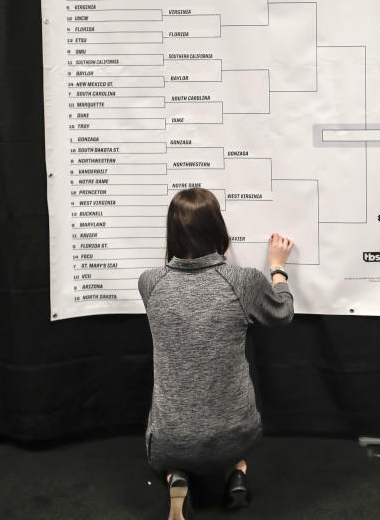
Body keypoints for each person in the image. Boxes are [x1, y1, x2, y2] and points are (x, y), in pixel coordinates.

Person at [138, 187, 294, 519]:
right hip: (236, 433)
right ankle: (235, 470)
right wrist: (278, 269)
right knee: (233, 440)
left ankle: (176, 475)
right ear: (217, 228)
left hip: (170, 437)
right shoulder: (242, 281)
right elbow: (282, 314)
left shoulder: (149, 282)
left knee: (170, 450)